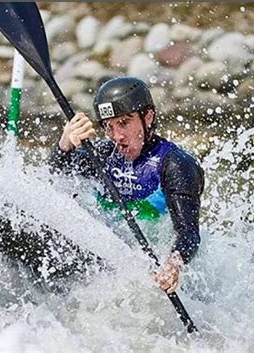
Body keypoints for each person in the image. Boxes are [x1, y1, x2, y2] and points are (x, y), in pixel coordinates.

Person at [49, 76, 204, 294]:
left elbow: (188, 233)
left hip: (156, 267)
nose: (117, 136)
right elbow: (52, 183)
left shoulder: (175, 164)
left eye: (124, 123)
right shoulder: (102, 156)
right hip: (108, 264)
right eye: (108, 127)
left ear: (148, 117)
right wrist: (63, 145)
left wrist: (173, 265)